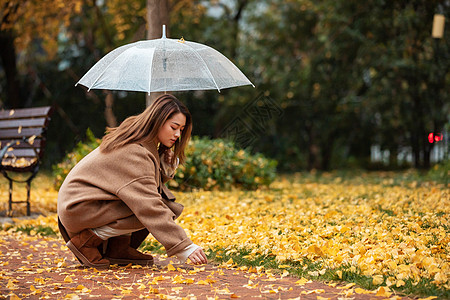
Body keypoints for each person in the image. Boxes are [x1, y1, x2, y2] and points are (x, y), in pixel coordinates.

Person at [57, 94, 208, 268]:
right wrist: (184, 246)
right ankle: (85, 242)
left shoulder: (140, 143)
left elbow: (147, 184)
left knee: (151, 202)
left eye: (181, 129)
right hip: (79, 208)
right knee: (155, 206)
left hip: (84, 205)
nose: (177, 134)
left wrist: (166, 165)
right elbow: (149, 204)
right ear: (158, 120)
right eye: (174, 127)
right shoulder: (135, 152)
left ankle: (118, 249)